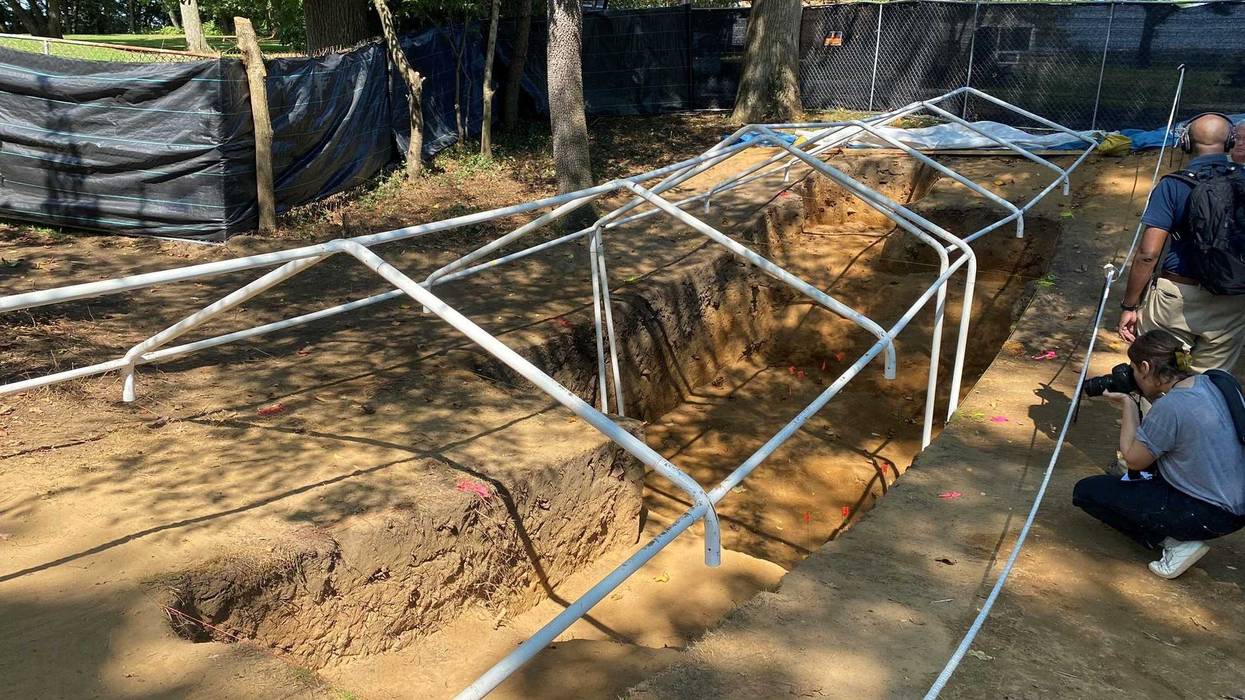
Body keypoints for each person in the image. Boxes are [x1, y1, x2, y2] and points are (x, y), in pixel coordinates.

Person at [1073, 330, 1245, 579]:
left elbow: (1133, 459)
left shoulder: (1171, 406)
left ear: (1145, 367)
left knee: (1089, 492)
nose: (1133, 377)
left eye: (1133, 370)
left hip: (1208, 514)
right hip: (1237, 506)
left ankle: (1176, 544)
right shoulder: (1217, 381)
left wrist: (1128, 404)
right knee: (1139, 476)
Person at [1117, 112, 1245, 372]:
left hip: (1175, 298)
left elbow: (1148, 255)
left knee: (1154, 376)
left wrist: (1130, 305)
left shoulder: (1171, 186)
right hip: (1231, 300)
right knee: (1207, 384)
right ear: (1231, 141)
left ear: (1185, 142)